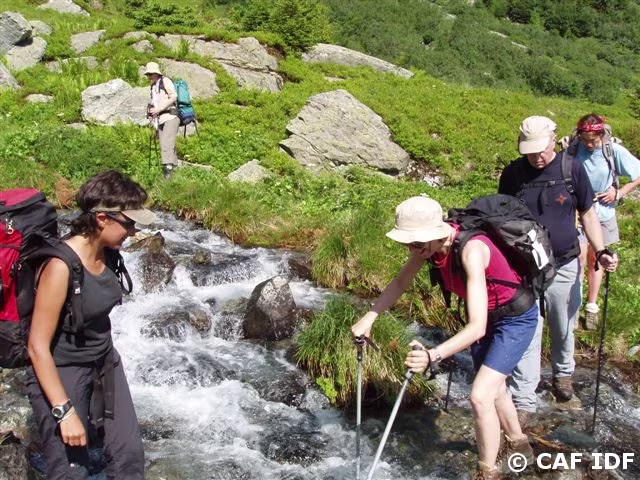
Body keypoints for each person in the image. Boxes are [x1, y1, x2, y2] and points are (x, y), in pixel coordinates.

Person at [351, 196, 538, 480]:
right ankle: (519, 442)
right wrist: (370, 317)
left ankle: (487, 472)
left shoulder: (472, 251)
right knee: (495, 389)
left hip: (515, 319)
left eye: (416, 243)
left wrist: (432, 355)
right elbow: (400, 283)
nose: (411, 249)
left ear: (436, 233)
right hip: (487, 316)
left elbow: (476, 328)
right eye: (407, 243)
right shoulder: (427, 247)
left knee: (479, 397)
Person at [26, 170, 154, 479]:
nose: (134, 231)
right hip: (62, 371)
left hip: (105, 362)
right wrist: (64, 411)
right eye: (129, 223)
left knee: (129, 457)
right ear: (102, 219)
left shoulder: (108, 252)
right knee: (72, 470)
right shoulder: (60, 267)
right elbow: (37, 347)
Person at [498, 116, 617, 418]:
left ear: (554, 140)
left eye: (542, 149)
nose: (537, 156)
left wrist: (601, 250)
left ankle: (563, 374)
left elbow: (588, 214)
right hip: (524, 266)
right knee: (528, 326)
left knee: (563, 322)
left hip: (564, 261)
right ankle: (524, 399)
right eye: (530, 151)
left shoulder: (571, 168)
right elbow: (501, 218)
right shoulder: (513, 174)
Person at [569, 114, 640, 330]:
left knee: (596, 258)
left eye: (593, 140)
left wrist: (619, 192)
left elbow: (638, 174)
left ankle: (591, 307)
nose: (589, 144)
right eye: (585, 140)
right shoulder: (574, 149)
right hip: (578, 212)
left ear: (601, 135)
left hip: (604, 212)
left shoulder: (612, 150)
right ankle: (574, 307)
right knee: (579, 258)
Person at [144, 61, 179, 178]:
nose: (148, 77)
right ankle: (174, 171)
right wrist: (152, 113)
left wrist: (159, 109)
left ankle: (168, 172)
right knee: (166, 144)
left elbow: (174, 96)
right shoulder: (154, 87)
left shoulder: (165, 81)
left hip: (171, 117)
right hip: (160, 119)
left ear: (156, 73)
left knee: (167, 144)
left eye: (150, 74)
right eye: (147, 74)